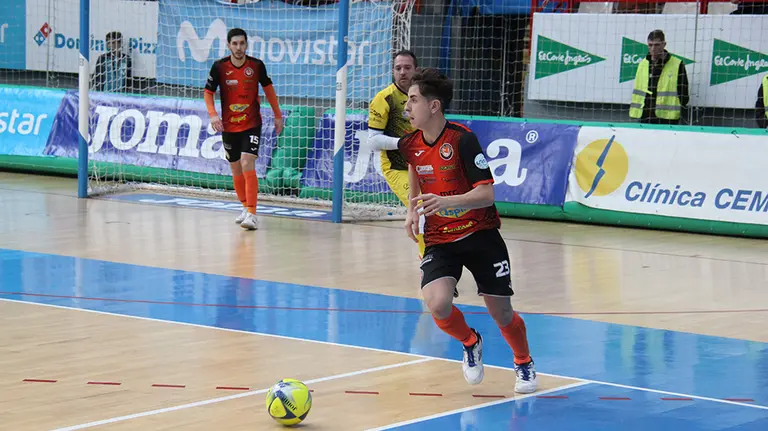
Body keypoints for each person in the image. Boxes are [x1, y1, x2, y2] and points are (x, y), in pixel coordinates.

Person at [398, 68, 537, 393]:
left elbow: (486, 194)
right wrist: (411, 210)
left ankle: (523, 362)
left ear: (434, 106)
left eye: (414, 100)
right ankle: (471, 341)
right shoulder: (409, 144)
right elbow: (415, 166)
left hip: (481, 236)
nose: (408, 107)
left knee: (502, 313)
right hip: (440, 240)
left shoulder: (462, 139)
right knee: (437, 303)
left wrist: (447, 202)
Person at [204, 28, 283, 230]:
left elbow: (269, 91)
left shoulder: (256, 66)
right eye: (235, 44)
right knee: (235, 167)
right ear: (229, 45)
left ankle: (253, 213)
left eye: (242, 43)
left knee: (248, 162)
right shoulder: (219, 67)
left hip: (251, 124)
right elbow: (208, 92)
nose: (239, 47)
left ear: (246, 44)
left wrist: (277, 115)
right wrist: (213, 114)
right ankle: (245, 207)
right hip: (229, 126)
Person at [367, 50, 426, 259]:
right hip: (397, 167)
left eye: (407, 68)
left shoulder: (424, 95)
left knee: (439, 209)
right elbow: (373, 141)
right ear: (393, 71)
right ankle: (428, 263)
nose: (402, 72)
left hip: (425, 164)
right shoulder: (384, 99)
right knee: (421, 209)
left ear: (415, 70)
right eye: (398, 68)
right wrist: (404, 143)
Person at [629, 29, 689, 125]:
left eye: (656, 45)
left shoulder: (677, 64)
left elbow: (684, 95)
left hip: (667, 119)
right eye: (650, 45)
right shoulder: (643, 64)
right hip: (645, 116)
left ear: (664, 44)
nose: (653, 48)